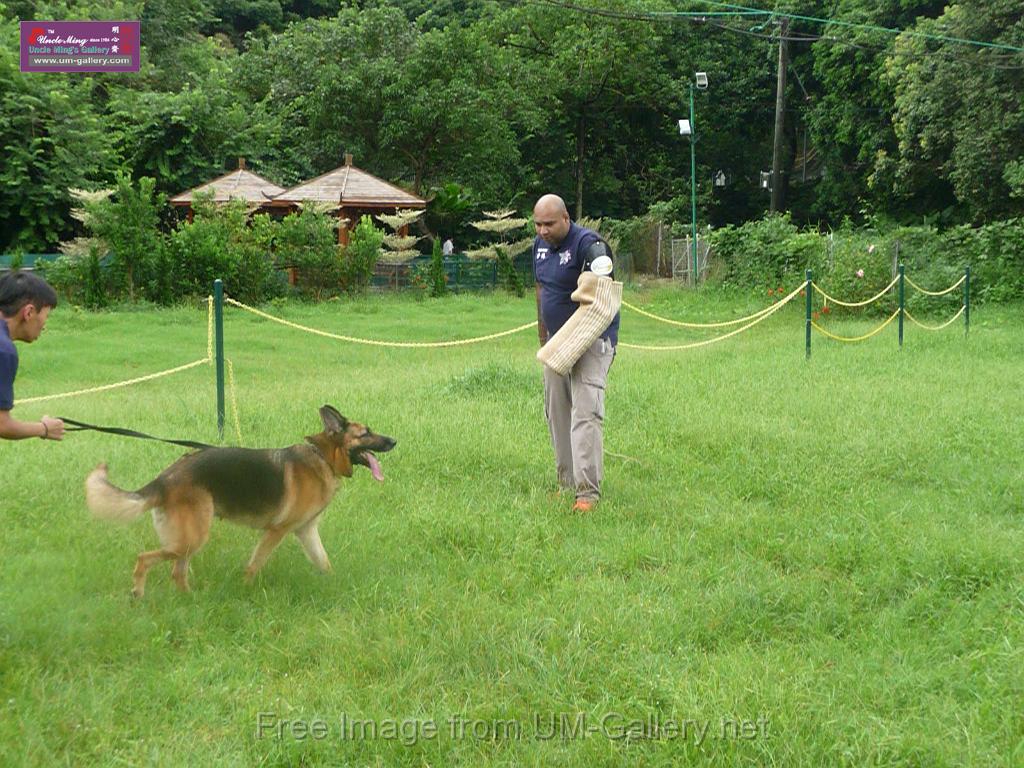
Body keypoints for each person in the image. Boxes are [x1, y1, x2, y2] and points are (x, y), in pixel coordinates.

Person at [532, 194, 619, 512]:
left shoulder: (591, 245)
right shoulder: (539, 246)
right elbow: (541, 289)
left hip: (591, 342)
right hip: (557, 343)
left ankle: (587, 493)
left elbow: (602, 294)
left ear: (566, 218)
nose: (542, 230)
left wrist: (573, 340)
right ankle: (566, 482)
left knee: (585, 414)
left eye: (549, 224)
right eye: (538, 224)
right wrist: (544, 337)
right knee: (556, 414)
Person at [0, 271, 64, 441]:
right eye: (46, 316)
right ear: (28, 313)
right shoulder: (3, 350)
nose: (44, 325)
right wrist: (44, 428)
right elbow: (2, 424)